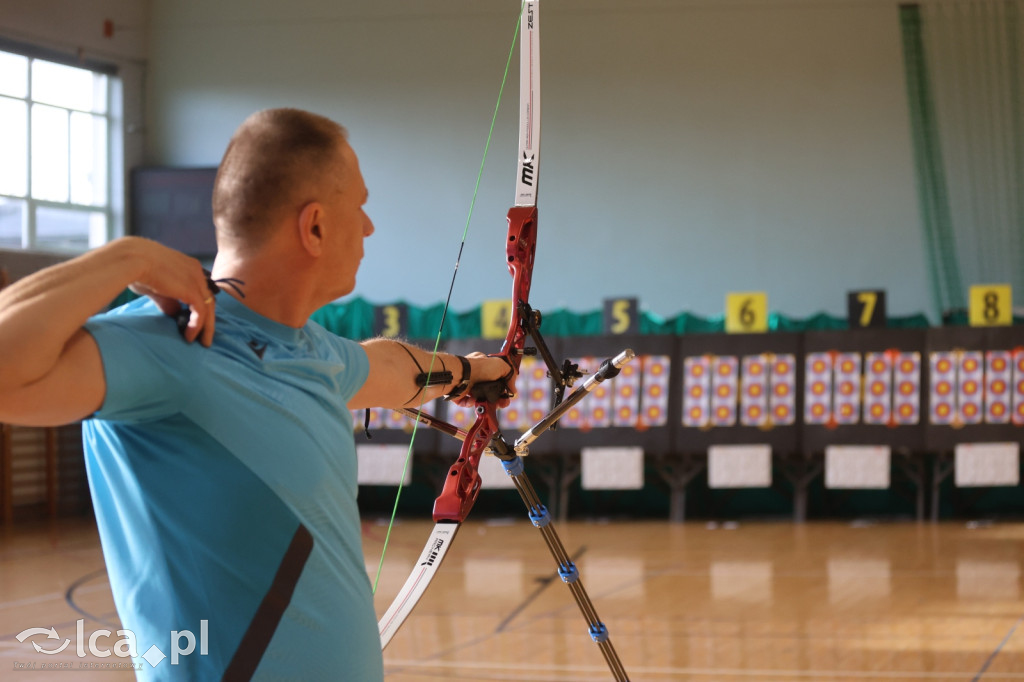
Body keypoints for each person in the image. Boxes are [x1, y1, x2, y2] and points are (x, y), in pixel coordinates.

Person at [0, 108, 515, 680]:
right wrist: (129, 257)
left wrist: (474, 372)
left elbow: (390, 369)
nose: (369, 227)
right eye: (360, 207)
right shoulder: (172, 343)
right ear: (314, 227)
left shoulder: (313, 351)